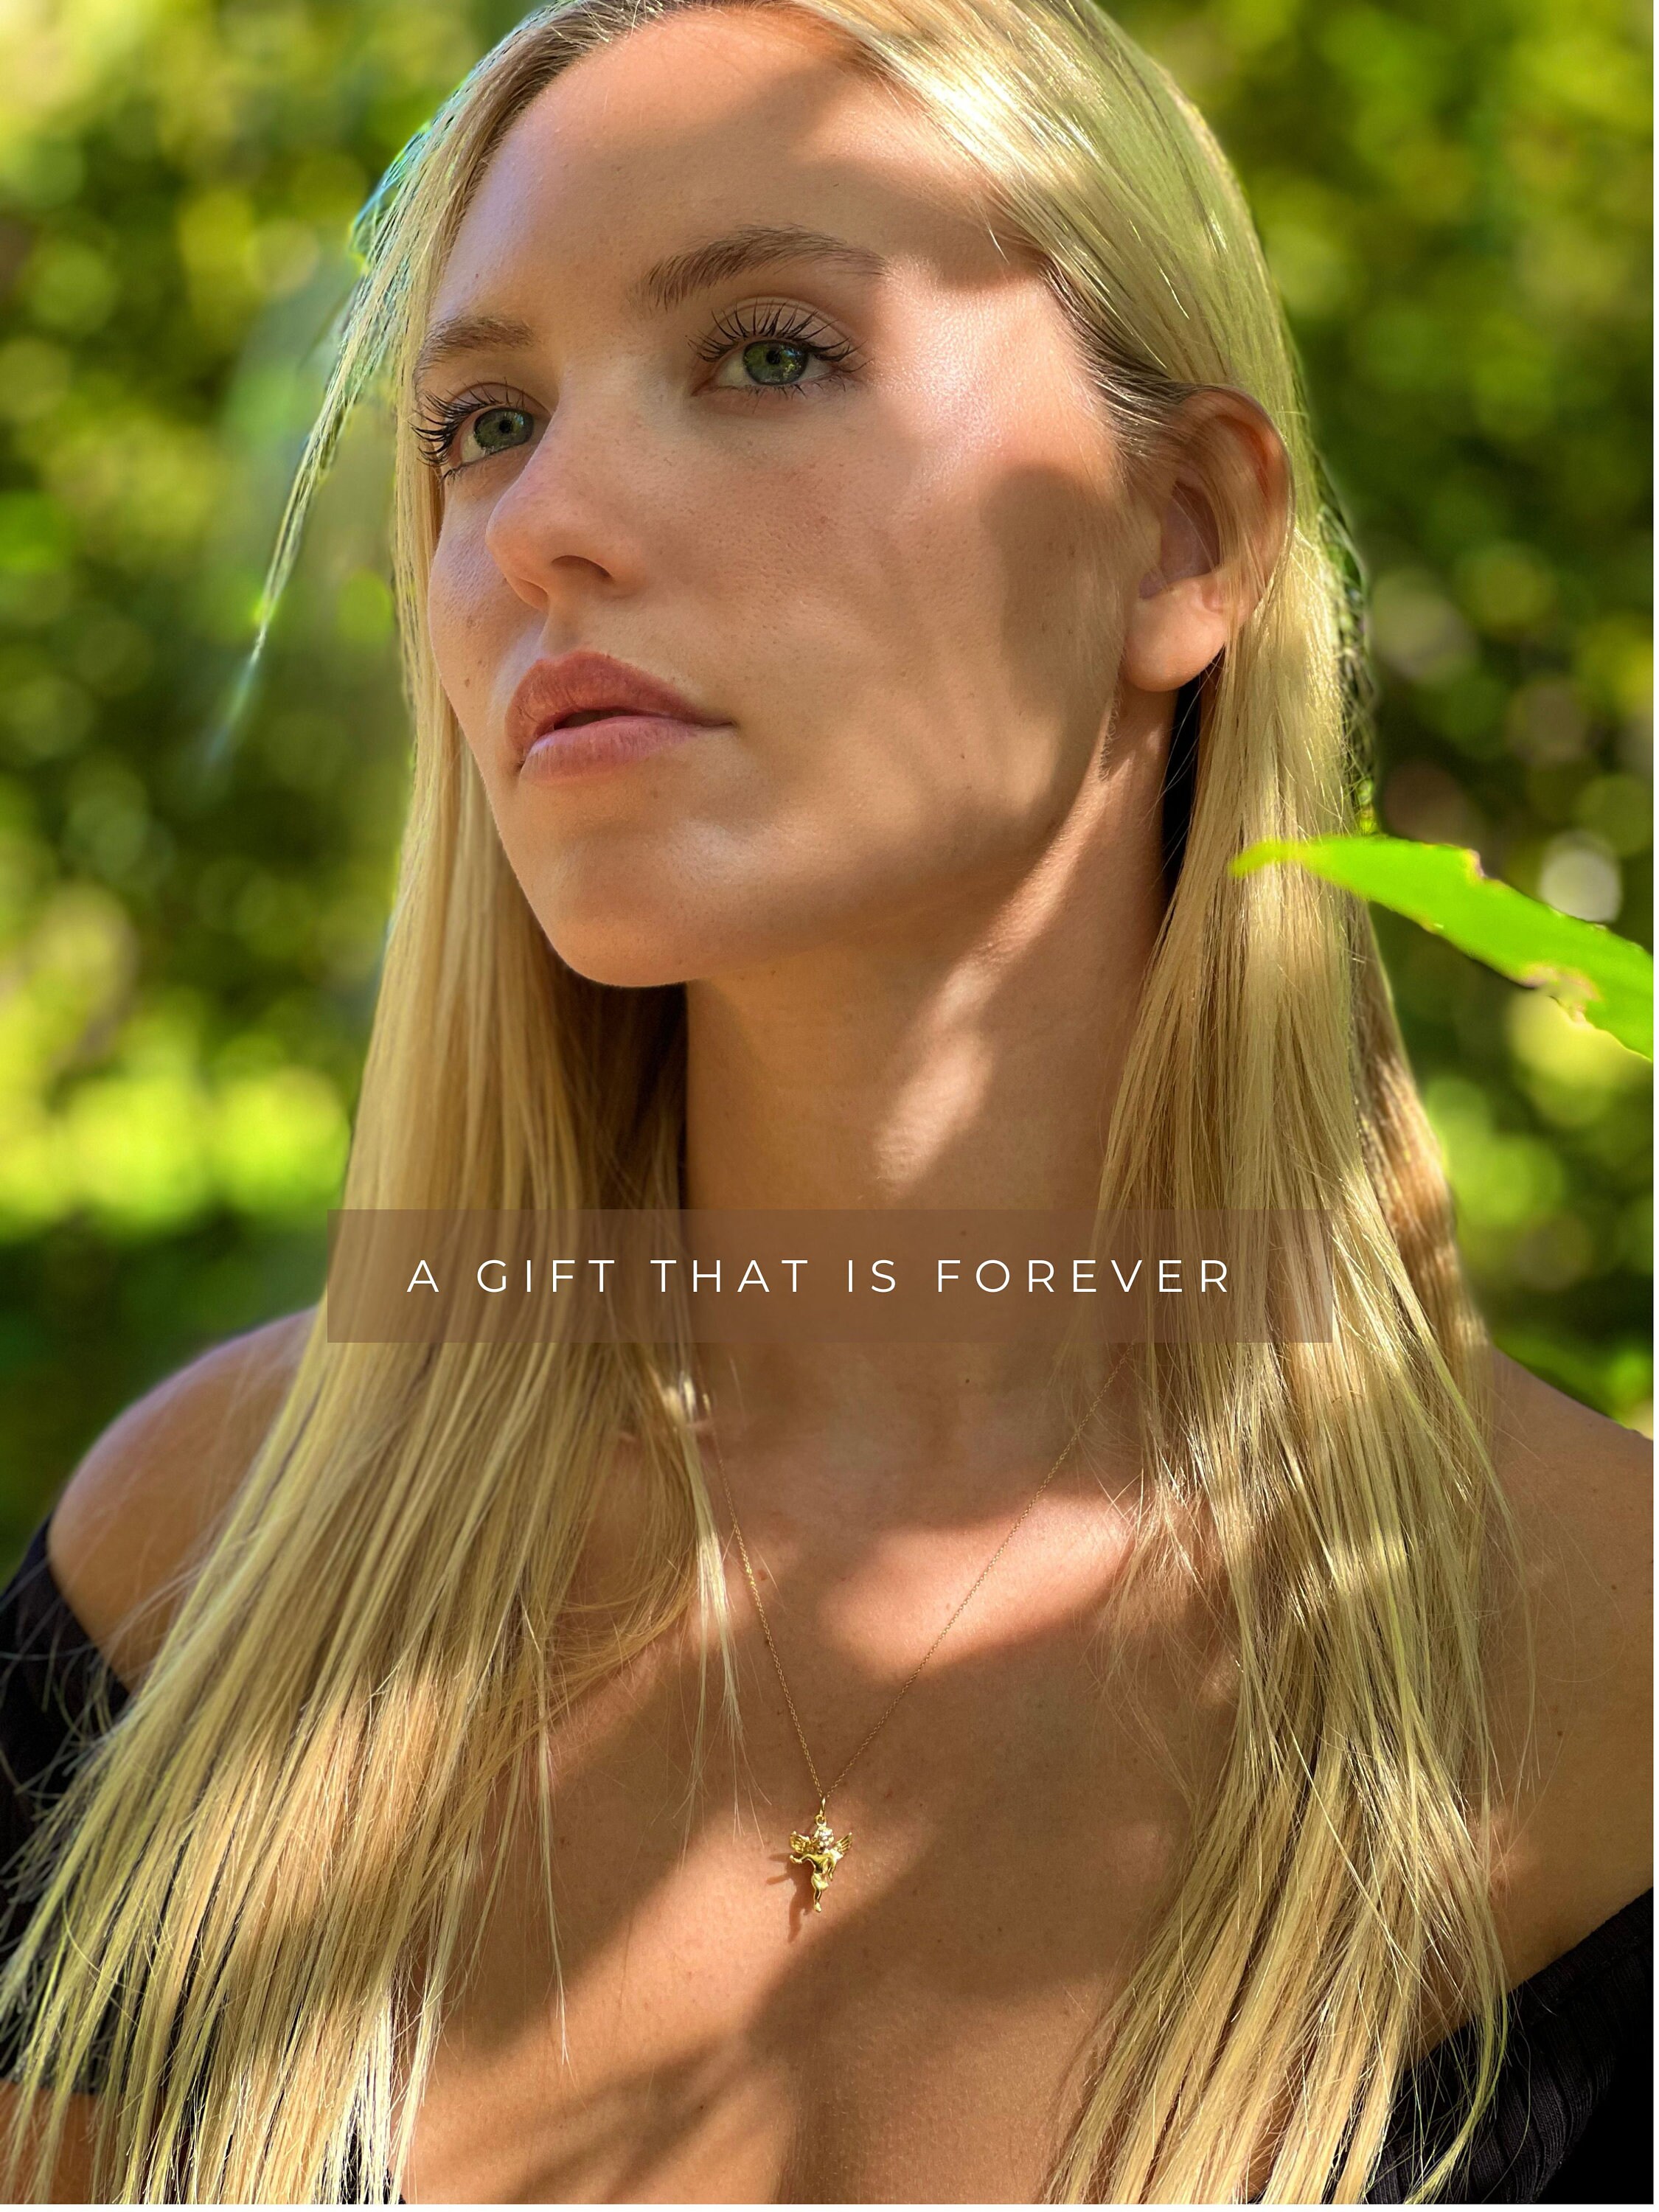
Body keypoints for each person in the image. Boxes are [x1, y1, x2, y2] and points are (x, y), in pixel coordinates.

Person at [0, 0, 1649, 2200]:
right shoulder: (201, 1568)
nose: (542, 525)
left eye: (767, 352)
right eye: (482, 422)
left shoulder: (1611, 1679)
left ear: (1182, 534)